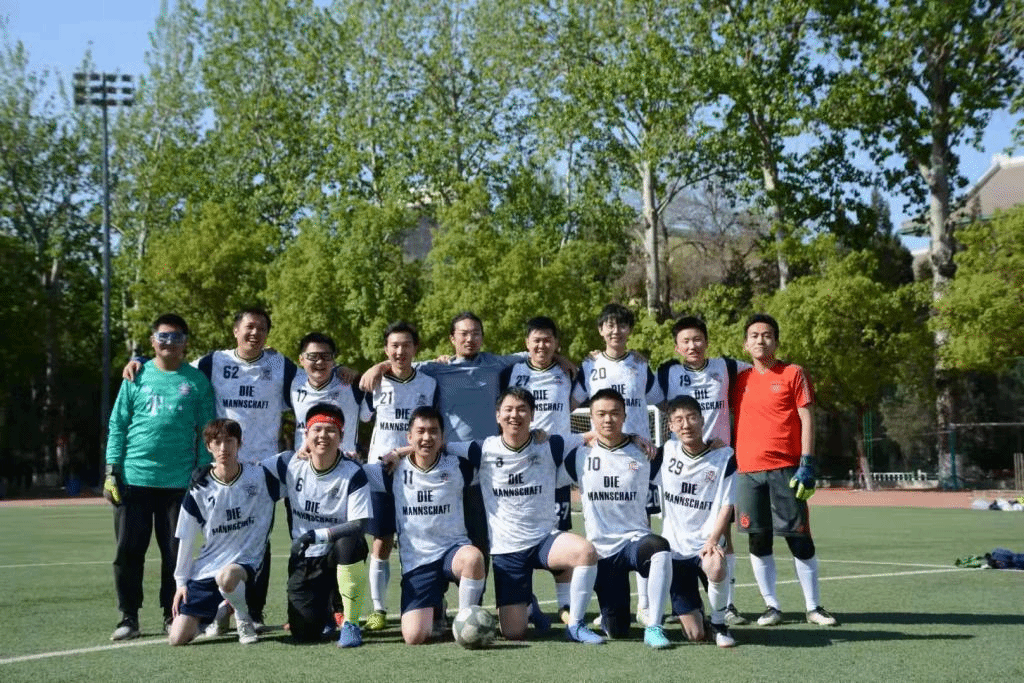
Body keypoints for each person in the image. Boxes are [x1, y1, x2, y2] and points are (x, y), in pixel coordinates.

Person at [123, 307, 297, 628]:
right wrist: (142, 361)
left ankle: (253, 610)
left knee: (259, 540)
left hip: (262, 468)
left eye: (261, 328)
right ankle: (220, 607)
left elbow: (314, 379)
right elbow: (172, 366)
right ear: (235, 330)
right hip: (221, 466)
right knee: (219, 536)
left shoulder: (280, 365)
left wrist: (348, 372)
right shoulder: (213, 362)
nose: (254, 333)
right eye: (249, 327)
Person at [446, 388, 605, 644]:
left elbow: (594, 434)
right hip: (507, 550)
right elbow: (435, 445)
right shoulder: (482, 448)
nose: (514, 415)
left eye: (522, 410)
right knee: (513, 633)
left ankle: (575, 624)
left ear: (532, 415)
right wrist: (398, 454)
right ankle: (528, 605)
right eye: (508, 410)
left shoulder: (550, 444)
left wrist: (636, 439)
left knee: (585, 552)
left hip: (544, 540)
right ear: (497, 416)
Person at [104, 313, 216, 640]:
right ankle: (128, 617)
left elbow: (207, 429)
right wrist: (112, 469)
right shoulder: (135, 376)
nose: (169, 343)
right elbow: (118, 425)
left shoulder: (196, 382)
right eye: (163, 337)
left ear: (185, 343)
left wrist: (203, 468)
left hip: (179, 483)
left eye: (176, 337)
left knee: (175, 554)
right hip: (133, 480)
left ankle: (172, 614)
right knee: (128, 552)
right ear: (153, 341)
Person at [730, 313, 837, 627]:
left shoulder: (793, 373)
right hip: (748, 472)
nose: (760, 340)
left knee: (798, 538)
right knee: (758, 541)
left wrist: (807, 461)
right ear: (745, 344)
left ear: (776, 341)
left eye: (766, 335)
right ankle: (771, 606)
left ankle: (814, 607)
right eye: (754, 336)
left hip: (786, 470)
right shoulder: (740, 380)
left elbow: (807, 417)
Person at [571, 303, 664, 625]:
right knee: (599, 525)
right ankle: (608, 604)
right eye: (609, 325)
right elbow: (569, 402)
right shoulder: (589, 365)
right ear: (601, 330)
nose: (615, 331)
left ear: (629, 330)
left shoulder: (640, 364)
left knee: (642, 527)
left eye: (622, 325)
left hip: (638, 456)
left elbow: (663, 402)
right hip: (601, 455)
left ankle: (646, 604)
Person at [362, 406, 486, 644]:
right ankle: (437, 609)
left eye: (433, 431)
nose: (427, 437)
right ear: (409, 436)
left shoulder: (459, 466)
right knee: (414, 636)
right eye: (420, 432)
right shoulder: (390, 471)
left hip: (453, 551)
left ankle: (463, 624)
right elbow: (350, 472)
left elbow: (496, 452)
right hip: (417, 562)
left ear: (442, 437)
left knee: (473, 558)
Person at [655, 315, 749, 625]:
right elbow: (642, 393)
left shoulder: (727, 367)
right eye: (685, 341)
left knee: (723, 536)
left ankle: (727, 604)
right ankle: (679, 604)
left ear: (707, 341)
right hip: (680, 465)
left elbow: (760, 370)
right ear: (676, 347)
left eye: (697, 339)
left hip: (716, 463)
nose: (692, 345)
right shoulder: (667, 372)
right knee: (675, 529)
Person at [563, 389, 674, 649]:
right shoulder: (578, 456)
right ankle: (608, 616)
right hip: (601, 553)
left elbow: (682, 468)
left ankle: (654, 627)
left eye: (615, 413)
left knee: (659, 548)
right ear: (591, 417)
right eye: (601, 414)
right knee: (617, 630)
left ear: (625, 416)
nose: (608, 419)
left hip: (635, 542)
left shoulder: (646, 453)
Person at [167, 419, 280, 646]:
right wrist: (181, 582)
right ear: (208, 446)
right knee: (177, 638)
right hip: (208, 567)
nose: (223, 448)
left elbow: (295, 461)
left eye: (229, 441)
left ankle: (243, 618)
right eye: (217, 442)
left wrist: (305, 450)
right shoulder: (199, 487)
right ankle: (222, 609)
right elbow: (186, 538)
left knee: (227, 577)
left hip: (246, 563)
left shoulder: (260, 475)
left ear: (239, 443)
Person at [359, 321, 440, 632]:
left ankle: (431, 603)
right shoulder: (375, 381)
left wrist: (402, 452)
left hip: (417, 471)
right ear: (385, 349)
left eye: (406, 345)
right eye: (394, 345)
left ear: (415, 349)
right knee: (382, 540)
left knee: (421, 537)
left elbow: (435, 433)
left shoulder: (429, 384)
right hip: (379, 471)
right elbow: (361, 417)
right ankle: (378, 609)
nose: (400, 351)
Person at [269, 403, 372, 645]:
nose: (323, 435)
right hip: (305, 558)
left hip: (337, 553)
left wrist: (317, 535)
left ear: (341, 437)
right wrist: (209, 470)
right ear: (306, 434)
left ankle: (351, 622)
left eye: (331, 430)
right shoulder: (288, 463)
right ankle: (324, 611)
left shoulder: (353, 472)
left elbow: (359, 524)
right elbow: (247, 474)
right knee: (303, 634)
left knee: (349, 541)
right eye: (317, 429)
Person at [498, 316, 578, 623]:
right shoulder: (511, 371)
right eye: (536, 340)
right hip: (518, 467)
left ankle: (565, 605)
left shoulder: (569, 372)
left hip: (555, 466)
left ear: (556, 344)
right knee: (521, 532)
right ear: (526, 344)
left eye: (548, 340)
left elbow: (584, 400)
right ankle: (527, 601)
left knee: (558, 534)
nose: (542, 345)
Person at [656, 396, 737, 648]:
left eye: (692, 418)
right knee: (695, 635)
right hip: (676, 551)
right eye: (678, 420)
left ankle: (720, 624)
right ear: (670, 426)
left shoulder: (724, 457)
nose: (686, 425)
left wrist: (713, 540)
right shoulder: (665, 452)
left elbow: (726, 506)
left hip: (705, 544)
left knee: (715, 564)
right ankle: (697, 615)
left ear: (702, 420)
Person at [291, 332, 365, 455]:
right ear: (301, 360)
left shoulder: (349, 384)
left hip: (343, 462)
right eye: (313, 356)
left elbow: (373, 382)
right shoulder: (292, 383)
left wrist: (358, 375)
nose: (320, 362)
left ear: (333, 359)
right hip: (303, 461)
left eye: (326, 356)